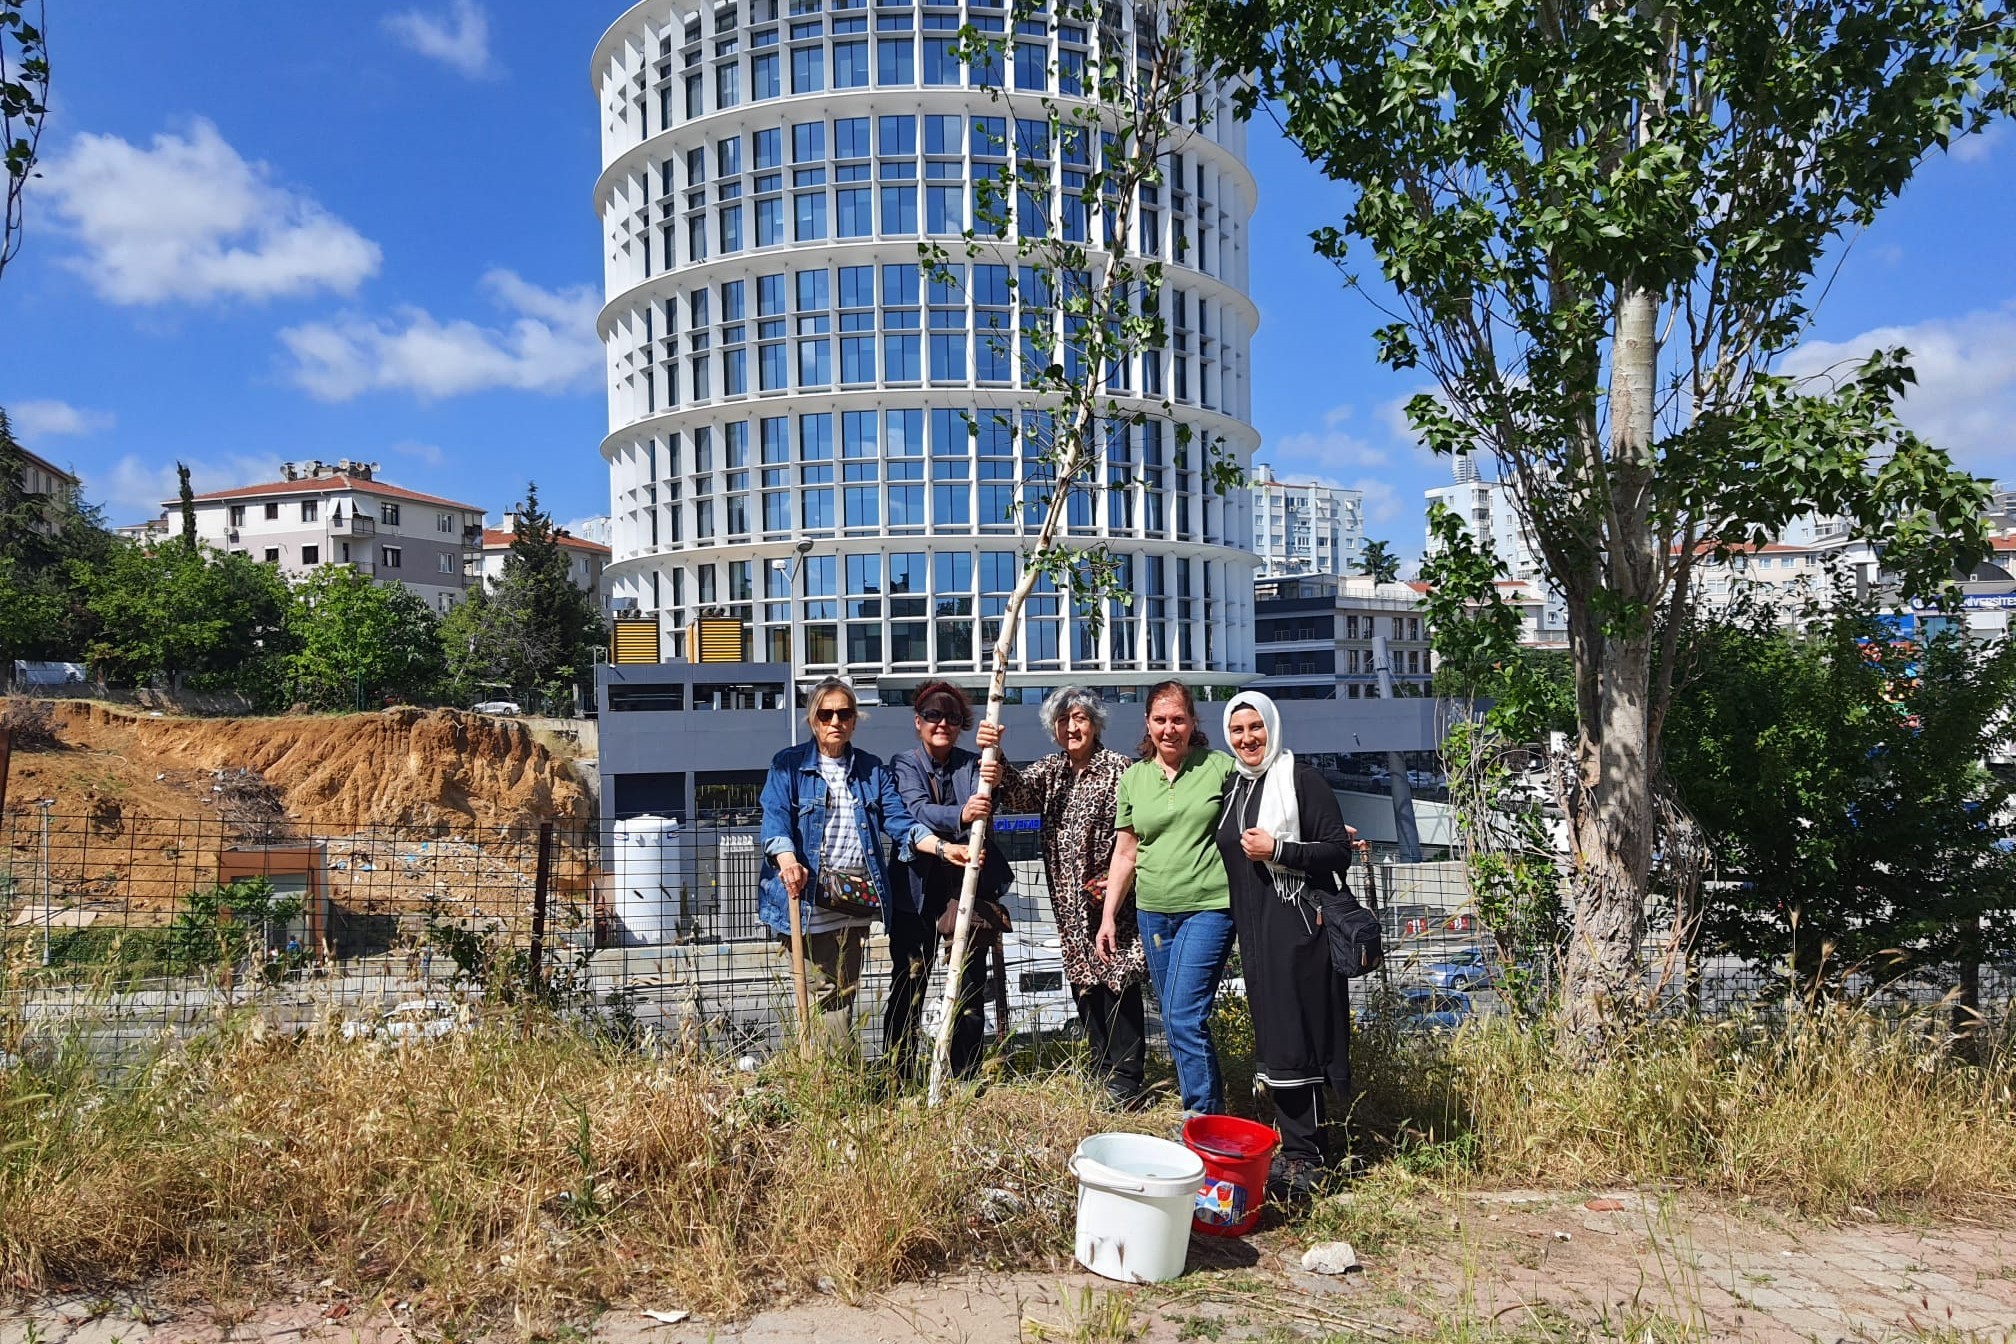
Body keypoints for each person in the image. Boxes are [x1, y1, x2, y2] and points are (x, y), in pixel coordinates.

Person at [758, 676, 956, 1049]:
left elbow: (899, 821)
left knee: (843, 994)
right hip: (808, 900)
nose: (835, 721)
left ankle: (827, 1080)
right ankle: (841, 1081)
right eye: (826, 714)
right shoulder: (788, 766)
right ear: (812, 719)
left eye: (844, 713)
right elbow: (775, 820)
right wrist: (787, 860)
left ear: (854, 719)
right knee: (827, 994)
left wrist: (943, 849)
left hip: (853, 903)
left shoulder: (870, 769)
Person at [977, 686, 1147, 1106]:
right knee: (1084, 984)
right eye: (1063, 720)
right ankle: (1100, 1065)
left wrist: (1119, 880)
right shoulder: (1051, 772)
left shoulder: (1118, 770)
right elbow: (1016, 794)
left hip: (1112, 903)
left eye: (1080, 718)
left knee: (1118, 982)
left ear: (1095, 724)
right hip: (1068, 906)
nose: (1072, 727)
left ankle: (1126, 1076)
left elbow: (1138, 835)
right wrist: (994, 754)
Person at [1216, 690, 1357, 1197]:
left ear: (1272, 728)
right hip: (1257, 932)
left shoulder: (1300, 780)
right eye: (1238, 730)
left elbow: (1337, 851)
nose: (1248, 738)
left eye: (1256, 728)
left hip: (1299, 928)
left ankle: (1307, 1156)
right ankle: (1294, 1147)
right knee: (1277, 1039)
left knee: (1299, 1040)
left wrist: (1280, 848)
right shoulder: (1235, 786)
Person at [1095, 680, 1237, 1118]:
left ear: (1193, 722)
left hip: (1209, 905)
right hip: (1154, 913)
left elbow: (1266, 803)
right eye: (1160, 720)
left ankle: (1202, 1115)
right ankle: (1200, 1106)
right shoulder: (1134, 778)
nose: (1169, 729)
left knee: (1182, 1015)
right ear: (1147, 724)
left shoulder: (1219, 767)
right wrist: (1109, 916)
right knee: (1176, 1013)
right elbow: (1125, 852)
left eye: (1178, 719)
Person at [886, 680, 1014, 1082]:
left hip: (966, 887)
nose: (942, 723)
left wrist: (995, 756)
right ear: (918, 722)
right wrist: (961, 815)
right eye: (933, 716)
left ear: (962, 725)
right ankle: (900, 1073)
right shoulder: (903, 764)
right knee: (910, 980)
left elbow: (1002, 789)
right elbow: (915, 810)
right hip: (917, 890)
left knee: (970, 983)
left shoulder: (971, 763)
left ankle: (964, 1074)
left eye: (952, 718)